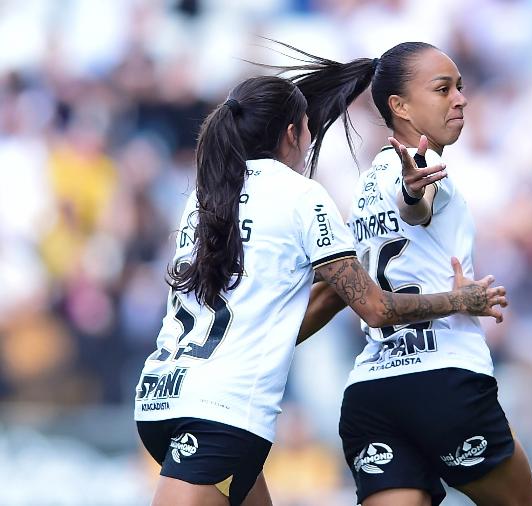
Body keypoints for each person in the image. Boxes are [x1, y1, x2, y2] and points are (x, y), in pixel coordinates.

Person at [133, 74, 508, 506]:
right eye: (308, 128)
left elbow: (305, 298)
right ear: (292, 133)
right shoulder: (300, 196)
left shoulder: (205, 197)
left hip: (161, 398)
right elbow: (375, 307)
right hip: (222, 416)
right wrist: (460, 300)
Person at [280, 41, 532, 505]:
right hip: (443, 383)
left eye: (460, 87)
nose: (460, 98)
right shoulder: (420, 168)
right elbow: (415, 205)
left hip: (373, 393)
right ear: (399, 106)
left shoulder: (362, 188)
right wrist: (411, 189)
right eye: (443, 89)